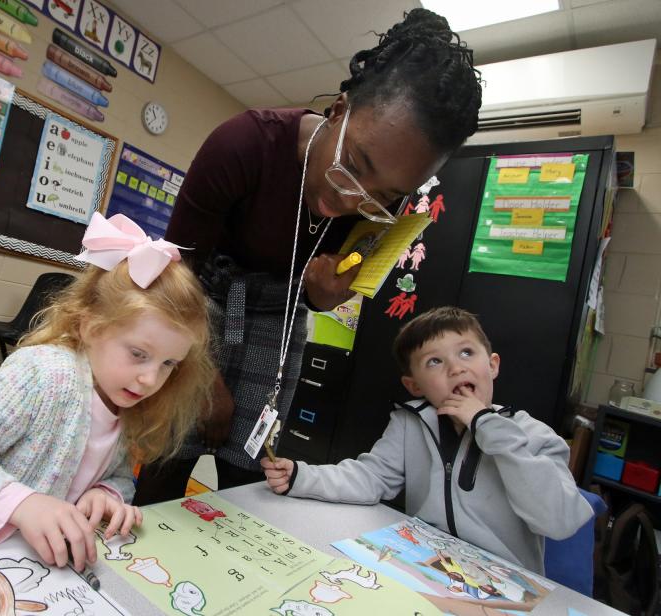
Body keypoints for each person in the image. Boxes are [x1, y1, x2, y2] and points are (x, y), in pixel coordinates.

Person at [133, 8, 484, 504]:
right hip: (196, 304)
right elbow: (176, 276)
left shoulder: (387, 204)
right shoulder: (244, 145)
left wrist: (321, 299)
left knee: (253, 473)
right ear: (339, 110)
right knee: (170, 456)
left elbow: (323, 289)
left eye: (384, 193)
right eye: (355, 164)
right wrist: (204, 381)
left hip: (278, 322)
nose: (350, 199)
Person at [0, 213, 214, 574]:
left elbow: (119, 476)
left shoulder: (125, 399)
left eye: (169, 363)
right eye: (139, 355)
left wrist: (105, 495)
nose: (150, 379)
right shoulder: (43, 373)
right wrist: (23, 504)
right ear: (92, 328)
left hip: (29, 571)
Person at [260, 307, 593, 573]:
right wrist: (303, 476)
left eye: (466, 353)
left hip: (502, 585)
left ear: (492, 365)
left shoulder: (533, 436)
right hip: (425, 567)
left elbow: (560, 520)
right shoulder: (410, 422)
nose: (455, 368)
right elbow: (371, 478)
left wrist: (485, 424)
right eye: (435, 361)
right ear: (414, 385)